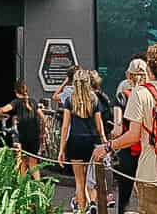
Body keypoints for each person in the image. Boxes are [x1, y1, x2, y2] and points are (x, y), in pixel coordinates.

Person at [96, 42, 157, 214]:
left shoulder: (140, 93)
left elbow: (133, 136)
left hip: (151, 174)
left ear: (150, 68)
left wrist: (107, 147)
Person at [61, 69, 107, 211]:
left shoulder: (70, 100)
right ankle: (91, 205)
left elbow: (65, 126)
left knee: (79, 182)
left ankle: (82, 209)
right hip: (91, 142)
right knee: (90, 179)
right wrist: (105, 143)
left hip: (75, 141)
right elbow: (99, 126)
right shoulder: (94, 99)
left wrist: (61, 149)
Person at [111, 57, 150, 212]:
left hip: (128, 151)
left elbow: (117, 129)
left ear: (128, 75)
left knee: (124, 195)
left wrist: (111, 141)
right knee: (149, 195)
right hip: (149, 151)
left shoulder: (122, 97)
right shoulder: (151, 96)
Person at [0, 81, 44, 177]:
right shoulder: (33, 101)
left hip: (23, 136)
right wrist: (42, 132)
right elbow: (43, 117)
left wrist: (1, 115)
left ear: (15, 91)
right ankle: (39, 187)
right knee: (34, 163)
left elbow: (3, 110)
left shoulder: (16, 102)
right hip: (35, 136)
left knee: (23, 161)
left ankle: (22, 185)